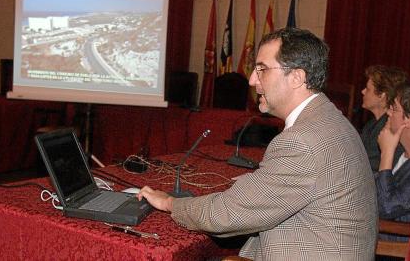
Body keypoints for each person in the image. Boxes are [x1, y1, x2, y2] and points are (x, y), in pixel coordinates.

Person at [138, 28, 377, 260]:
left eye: (262, 69)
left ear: (297, 77)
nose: (252, 80)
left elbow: (225, 215)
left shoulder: (302, 141)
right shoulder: (330, 119)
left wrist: (170, 202)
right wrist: (262, 183)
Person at [376, 85, 410, 225]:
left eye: (393, 109)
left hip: (394, 243)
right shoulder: (400, 152)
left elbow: (386, 208)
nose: (388, 113)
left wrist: (386, 153)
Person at [360, 65, 409, 172]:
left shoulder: (389, 128)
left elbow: (366, 166)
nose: (363, 91)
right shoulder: (372, 123)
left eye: (368, 89)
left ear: (382, 95)